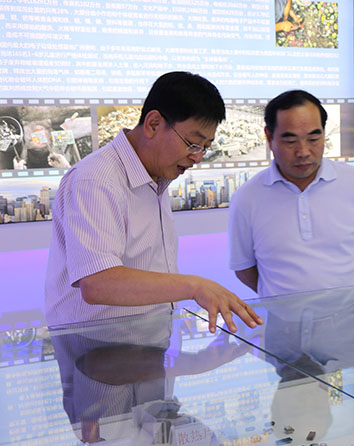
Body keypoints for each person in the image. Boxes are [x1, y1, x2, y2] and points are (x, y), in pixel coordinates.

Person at [44, 71, 263, 334]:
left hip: (145, 343)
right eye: (193, 144)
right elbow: (97, 283)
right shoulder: (96, 179)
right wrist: (195, 286)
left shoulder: (156, 175)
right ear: (154, 124)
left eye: (205, 147)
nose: (197, 158)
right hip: (96, 347)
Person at [228, 90, 354, 297]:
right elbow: (244, 268)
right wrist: (285, 304)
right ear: (269, 138)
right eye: (290, 141)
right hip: (285, 318)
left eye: (314, 138)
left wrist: (351, 298)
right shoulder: (247, 197)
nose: (303, 152)